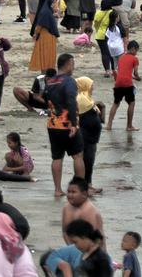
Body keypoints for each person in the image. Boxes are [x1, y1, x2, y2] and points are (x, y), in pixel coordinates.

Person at [43, 53, 85, 197]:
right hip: (66, 124)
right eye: (72, 64)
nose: (73, 67)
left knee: (57, 157)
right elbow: (71, 102)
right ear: (67, 64)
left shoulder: (50, 81)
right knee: (78, 155)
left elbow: (44, 99)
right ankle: (80, 189)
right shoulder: (69, 81)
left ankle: (57, 190)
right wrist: (74, 123)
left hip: (52, 124)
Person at [107, 40, 142, 131]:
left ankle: (109, 125)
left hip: (118, 83)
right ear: (134, 49)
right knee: (131, 103)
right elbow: (135, 73)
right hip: (127, 84)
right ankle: (129, 126)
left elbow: (123, 72)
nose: (136, 53)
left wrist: (134, 78)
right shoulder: (135, 59)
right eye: (136, 50)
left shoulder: (121, 57)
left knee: (116, 103)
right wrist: (138, 78)